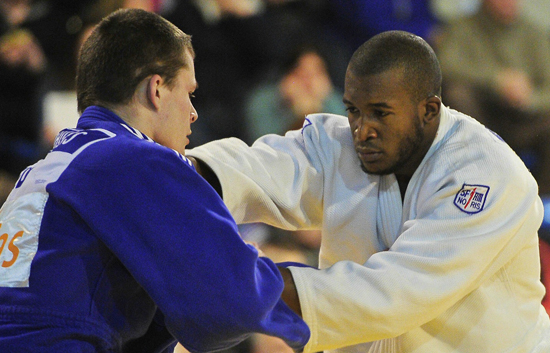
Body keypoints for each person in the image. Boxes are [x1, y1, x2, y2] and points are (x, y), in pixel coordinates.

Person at [187, 30, 550, 352]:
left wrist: (251, 284)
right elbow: (259, 169)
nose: (362, 130)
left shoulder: (486, 174)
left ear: (429, 110)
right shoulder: (345, 143)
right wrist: (172, 175)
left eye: (380, 113)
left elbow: (395, 294)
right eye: (353, 111)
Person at [0, 8, 309, 353]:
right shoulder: (129, 158)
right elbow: (232, 301)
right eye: (189, 92)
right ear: (157, 89)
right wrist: (260, 269)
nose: (193, 112)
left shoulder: (42, 171)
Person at [436, 0, 550, 197]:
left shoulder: (534, 34)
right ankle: (475, 187)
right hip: (481, 120)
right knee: (457, 94)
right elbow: (446, 66)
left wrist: (528, 98)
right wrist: (497, 81)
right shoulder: (463, 28)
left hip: (524, 120)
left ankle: (542, 200)